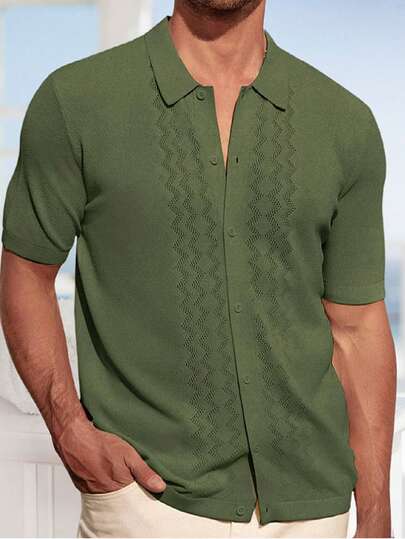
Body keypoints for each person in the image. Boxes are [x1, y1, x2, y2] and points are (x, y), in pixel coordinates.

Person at [0, 0, 396, 537]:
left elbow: (358, 327)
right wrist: (69, 427)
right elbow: (26, 273)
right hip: (144, 501)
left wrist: (375, 510)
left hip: (314, 511)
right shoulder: (76, 101)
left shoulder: (345, 124)